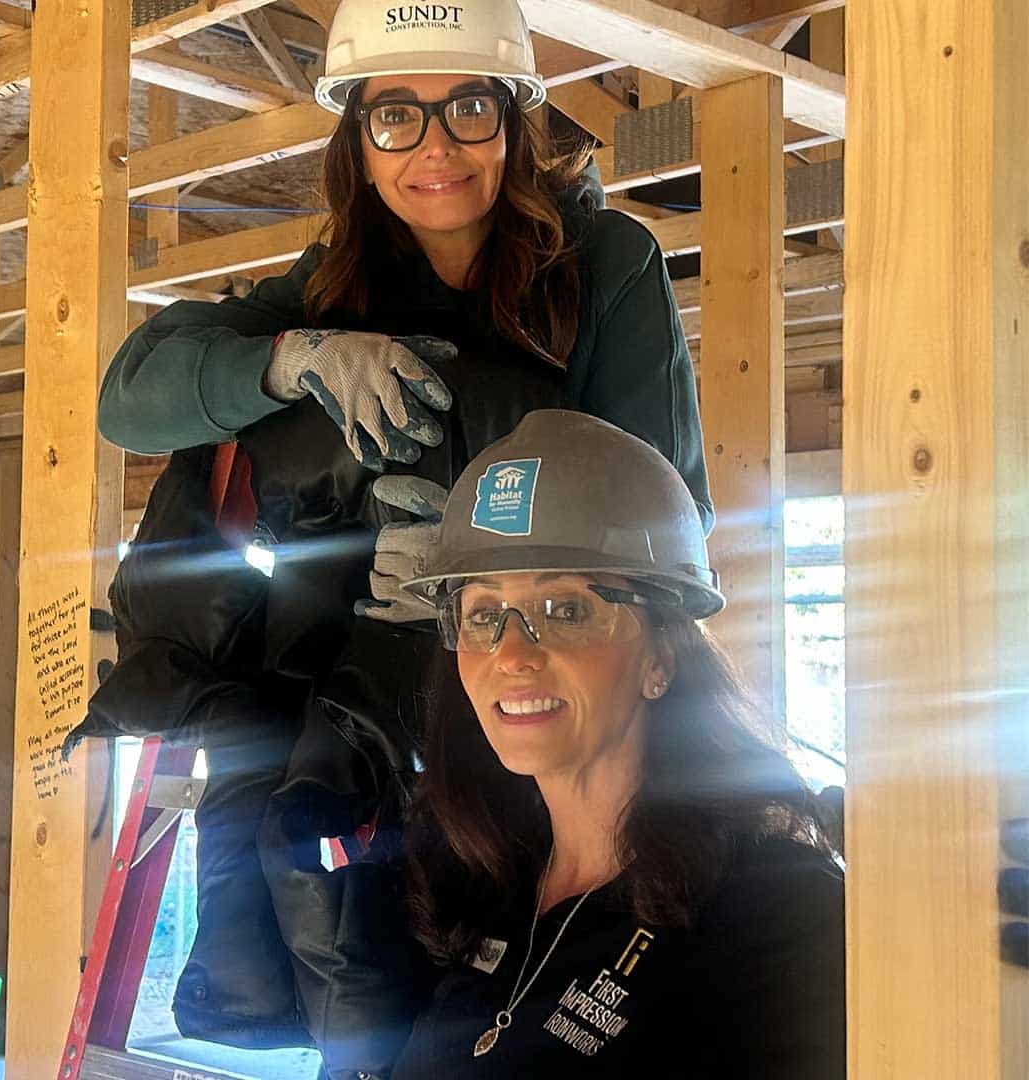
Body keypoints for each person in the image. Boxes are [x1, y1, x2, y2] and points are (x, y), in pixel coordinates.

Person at [83, 0, 716, 1052]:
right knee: (374, 996)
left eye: (468, 107)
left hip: (545, 694)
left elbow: (670, 504)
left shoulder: (606, 262)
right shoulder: (336, 286)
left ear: (514, 118)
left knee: (525, 988)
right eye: (395, 118)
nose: (435, 148)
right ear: (357, 142)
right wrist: (286, 359)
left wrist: (479, 552)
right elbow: (128, 400)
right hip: (385, 703)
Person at [369, 409, 845, 1078]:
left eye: (565, 609)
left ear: (662, 658)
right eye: (482, 614)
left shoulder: (774, 910)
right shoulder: (480, 879)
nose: (509, 654)